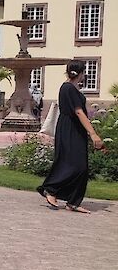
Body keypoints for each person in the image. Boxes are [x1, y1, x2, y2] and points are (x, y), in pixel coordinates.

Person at [37, 60, 105, 213]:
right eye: (83, 72)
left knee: (81, 165)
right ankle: (51, 189)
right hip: (69, 128)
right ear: (80, 73)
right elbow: (79, 111)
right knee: (73, 163)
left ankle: (73, 202)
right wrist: (93, 134)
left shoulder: (72, 88)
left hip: (75, 128)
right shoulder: (68, 88)